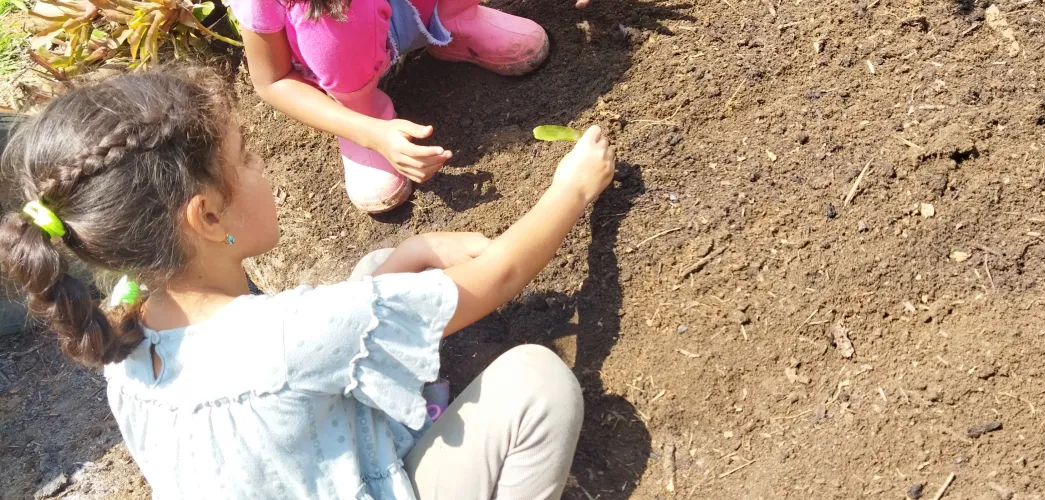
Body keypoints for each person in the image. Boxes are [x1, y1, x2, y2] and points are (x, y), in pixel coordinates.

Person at [0, 68, 614, 499]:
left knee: (370, 276)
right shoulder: (295, 336)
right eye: (246, 157)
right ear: (208, 216)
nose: (259, 165)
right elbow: (499, 274)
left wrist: (414, 251)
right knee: (538, 381)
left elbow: (335, 324)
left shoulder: (119, 338)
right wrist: (573, 188)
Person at [233, 0, 592, 213]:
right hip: (345, 49)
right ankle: (362, 107)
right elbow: (272, 79)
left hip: (420, 10)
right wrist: (369, 133)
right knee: (330, 18)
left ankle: (457, 20)